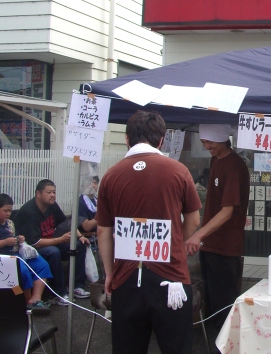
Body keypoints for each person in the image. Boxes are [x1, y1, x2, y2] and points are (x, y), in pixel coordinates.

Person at [96, 110, 201, 354]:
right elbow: (194, 221)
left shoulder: (111, 176)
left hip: (126, 278)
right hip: (171, 278)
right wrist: (177, 245)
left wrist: (110, 274)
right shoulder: (178, 171)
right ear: (161, 139)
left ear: (126, 138)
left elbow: (103, 231)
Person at [184, 124, 250, 344]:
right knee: (210, 304)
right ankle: (213, 344)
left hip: (225, 247)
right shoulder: (216, 161)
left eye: (211, 142)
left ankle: (226, 347)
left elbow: (228, 211)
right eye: (204, 142)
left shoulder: (234, 166)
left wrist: (197, 235)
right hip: (210, 245)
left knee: (224, 306)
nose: (207, 146)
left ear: (224, 139)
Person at [14, 179, 90, 304]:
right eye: (48, 192)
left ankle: (76, 286)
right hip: (33, 249)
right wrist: (60, 240)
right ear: (38, 194)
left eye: (54, 192)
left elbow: (67, 223)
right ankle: (58, 293)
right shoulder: (29, 212)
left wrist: (80, 236)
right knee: (53, 252)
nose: (52, 195)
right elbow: (35, 243)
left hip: (52, 240)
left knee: (78, 245)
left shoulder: (52, 206)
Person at [0, 193, 52, 315]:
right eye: (5, 211)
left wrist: (20, 239)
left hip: (16, 253)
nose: (8, 213)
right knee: (22, 271)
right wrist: (5, 242)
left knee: (41, 264)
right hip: (4, 257)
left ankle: (36, 298)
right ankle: (26, 301)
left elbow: (14, 236)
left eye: (10, 211)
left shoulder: (9, 223)